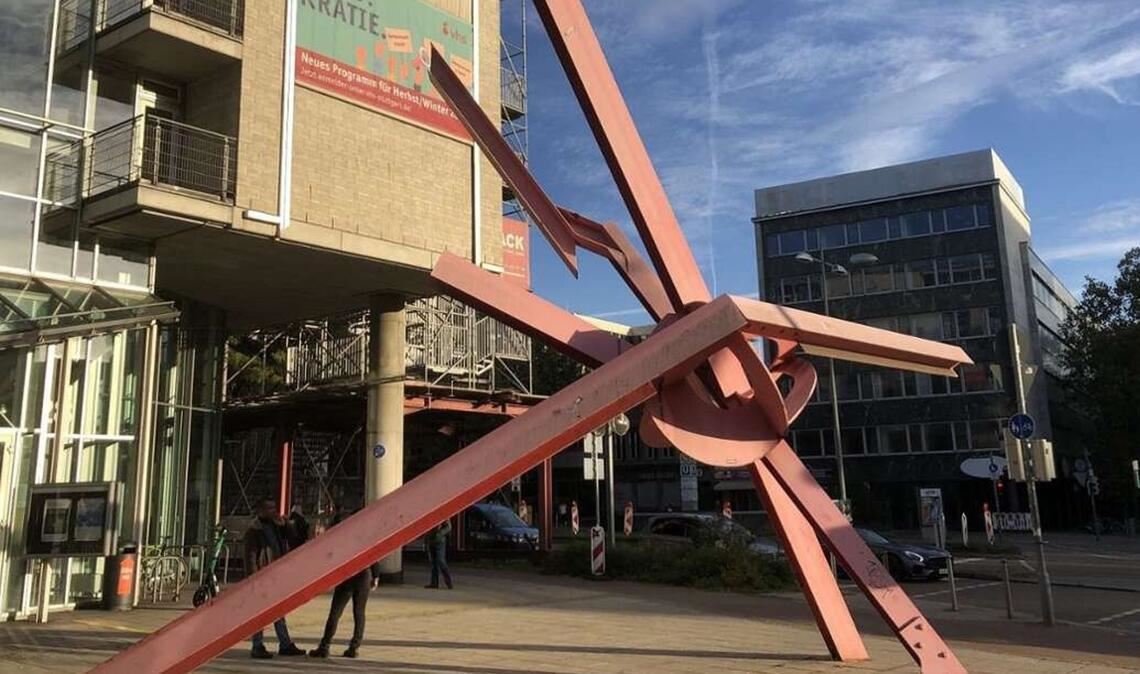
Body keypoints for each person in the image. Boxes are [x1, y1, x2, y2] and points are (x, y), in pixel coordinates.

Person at [309, 506, 381, 659]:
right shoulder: (367, 534)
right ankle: (354, 647)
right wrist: (376, 576)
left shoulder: (344, 534)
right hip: (364, 574)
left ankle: (324, 646)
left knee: (335, 612)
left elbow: (334, 554)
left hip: (347, 575)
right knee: (359, 613)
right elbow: (374, 555)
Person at [244, 498, 305, 659]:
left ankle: (285, 644)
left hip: (276, 574)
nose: (273, 511)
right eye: (269, 508)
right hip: (263, 575)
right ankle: (257, 645)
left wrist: (286, 525)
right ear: (261, 510)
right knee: (259, 611)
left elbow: (294, 540)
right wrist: (254, 579)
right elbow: (250, 557)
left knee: (278, 610)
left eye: (274, 507)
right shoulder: (254, 530)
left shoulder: (276, 526)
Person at [424, 519, 453, 589]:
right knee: (433, 563)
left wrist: (440, 534)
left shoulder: (442, 515)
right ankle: (434, 583)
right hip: (430, 540)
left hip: (440, 541)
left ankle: (448, 582)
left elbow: (448, 527)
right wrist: (426, 541)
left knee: (441, 561)